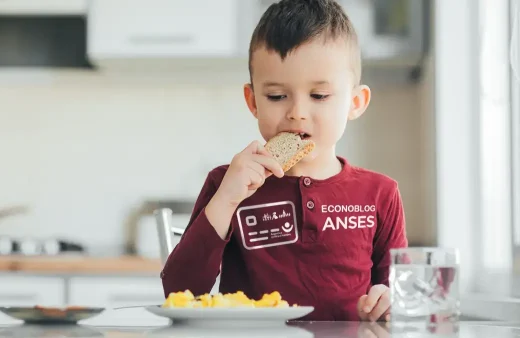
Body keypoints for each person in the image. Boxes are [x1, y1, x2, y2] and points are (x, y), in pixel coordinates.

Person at [160, 0, 408, 322]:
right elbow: (180, 292)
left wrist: (389, 301)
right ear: (253, 102)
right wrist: (227, 200)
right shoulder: (226, 184)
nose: (297, 112)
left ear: (355, 102)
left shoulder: (380, 194)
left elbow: (399, 295)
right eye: (277, 96)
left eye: (319, 96)